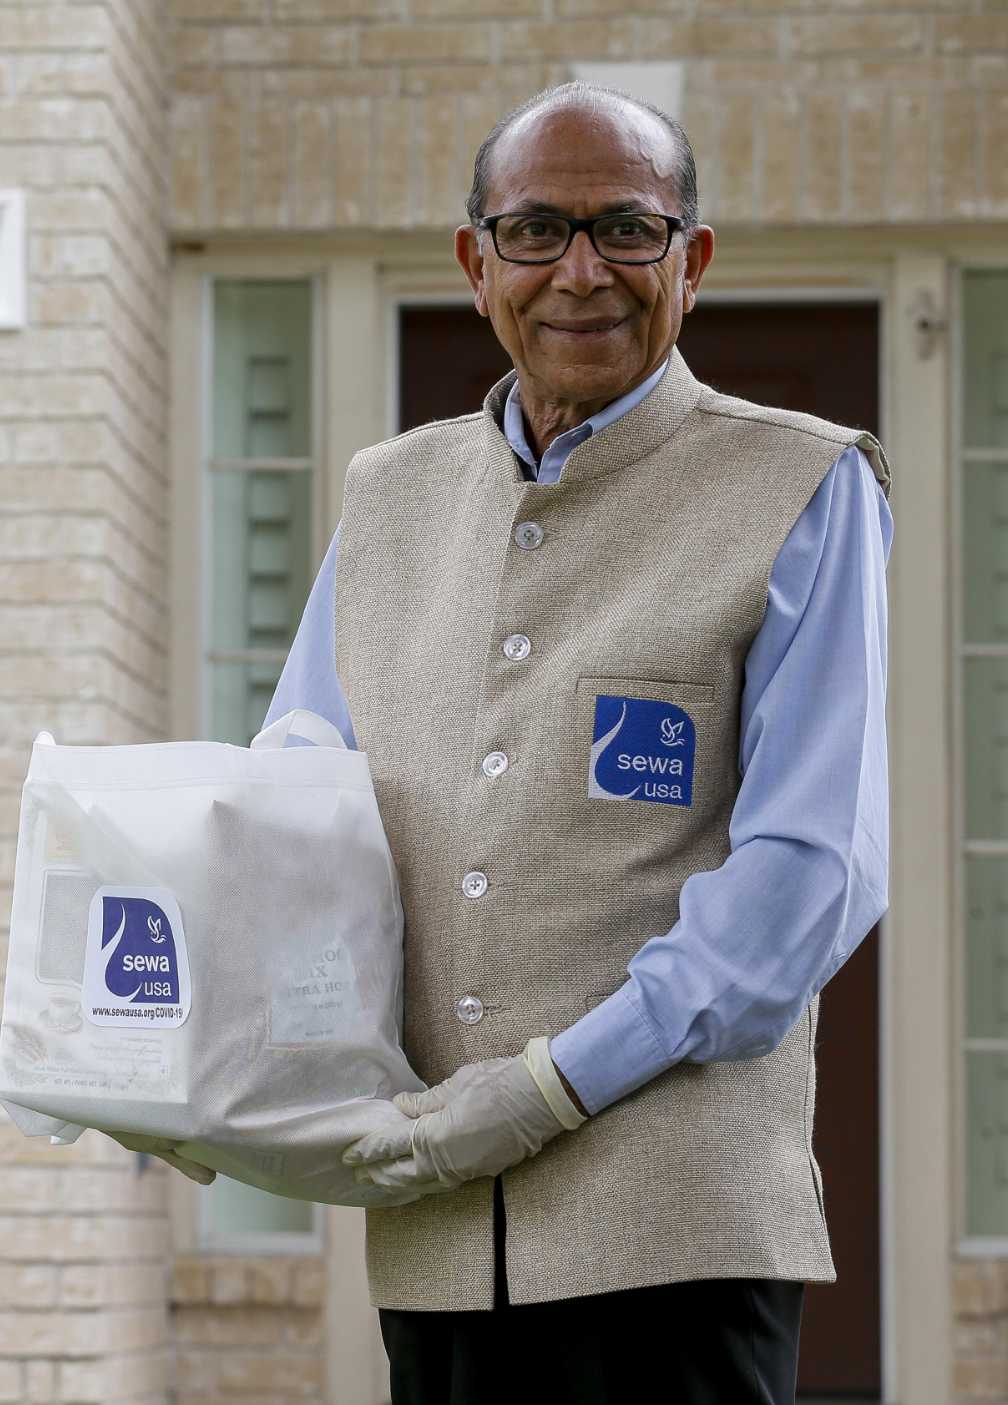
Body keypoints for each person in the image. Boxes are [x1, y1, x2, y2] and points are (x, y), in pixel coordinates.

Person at [267, 85, 890, 1400]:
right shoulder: (389, 499)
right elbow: (290, 803)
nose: (582, 273)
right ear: (475, 261)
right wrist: (210, 1048)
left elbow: (803, 877)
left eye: (627, 228)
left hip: (680, 1242)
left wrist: (546, 1089)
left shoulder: (801, 485)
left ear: (694, 260)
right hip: (434, 1230)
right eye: (539, 229)